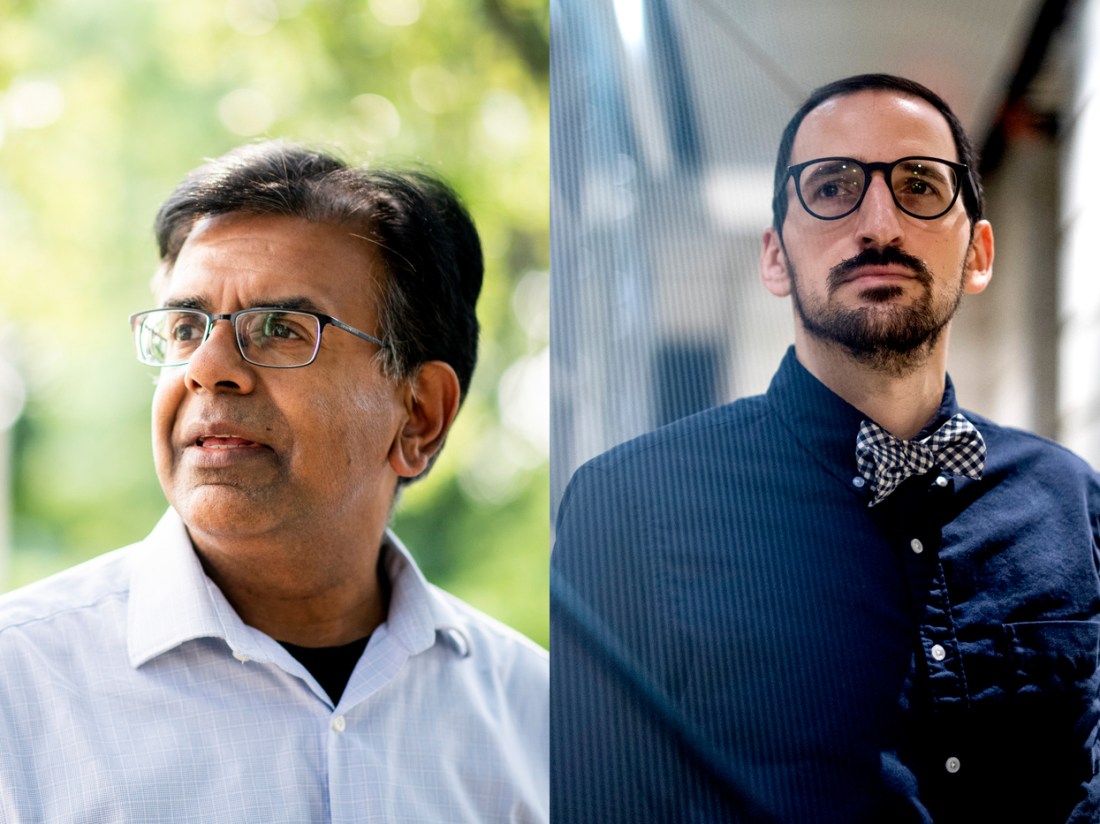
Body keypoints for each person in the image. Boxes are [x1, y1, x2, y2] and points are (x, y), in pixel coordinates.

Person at [551, 74, 1100, 824]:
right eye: (833, 186)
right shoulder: (630, 507)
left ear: (978, 252)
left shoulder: (1073, 503)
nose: (879, 222)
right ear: (775, 256)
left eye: (919, 184)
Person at [0, 141, 548, 822]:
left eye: (283, 329)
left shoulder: (540, 719)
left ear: (419, 416)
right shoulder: (18, 687)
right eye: (184, 327)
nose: (208, 367)